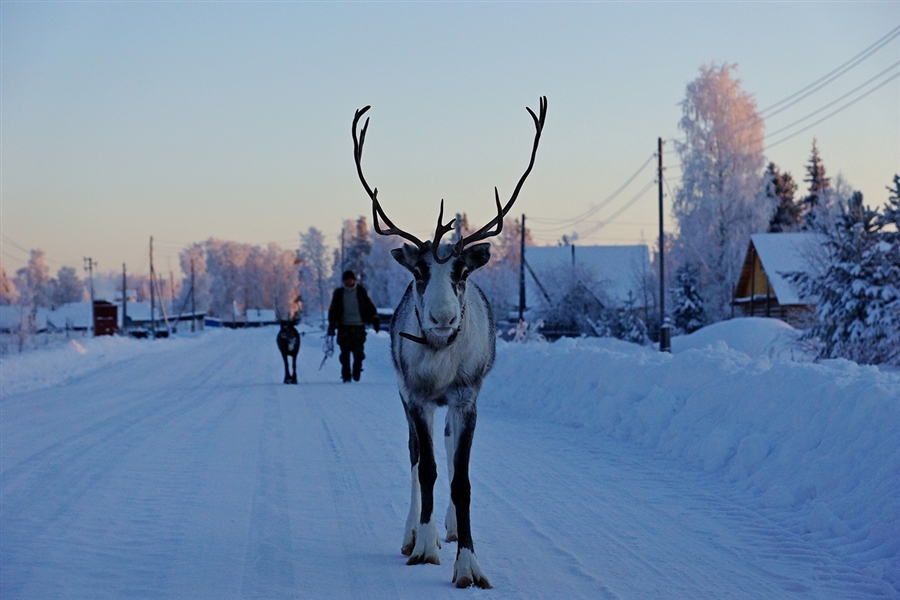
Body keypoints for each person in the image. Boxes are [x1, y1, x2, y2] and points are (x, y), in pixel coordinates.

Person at [327, 270, 380, 382]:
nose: (348, 282)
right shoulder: (339, 293)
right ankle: (346, 375)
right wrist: (332, 325)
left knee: (358, 353)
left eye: (350, 280)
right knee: (345, 353)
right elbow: (333, 310)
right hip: (344, 327)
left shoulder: (360, 291)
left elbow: (369, 306)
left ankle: (357, 370)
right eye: (346, 280)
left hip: (359, 326)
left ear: (354, 280)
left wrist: (374, 318)